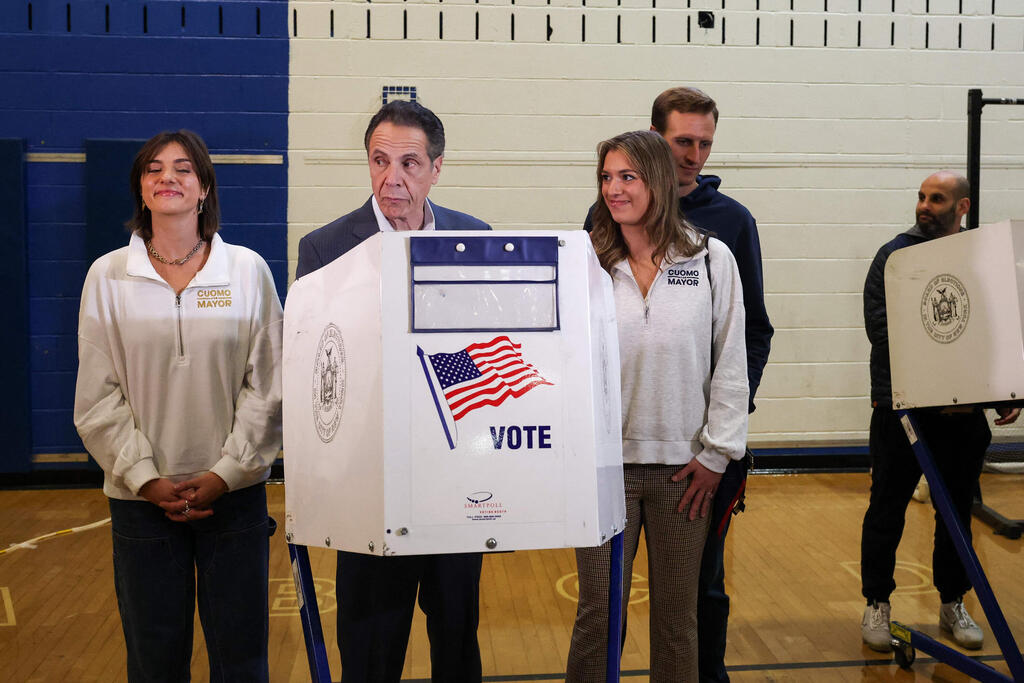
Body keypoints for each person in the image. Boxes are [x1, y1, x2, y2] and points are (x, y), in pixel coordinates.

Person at [74, 130, 283, 681]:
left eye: (184, 168)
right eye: (154, 169)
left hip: (234, 500)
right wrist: (144, 478)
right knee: (154, 659)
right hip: (142, 502)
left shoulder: (247, 270)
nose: (168, 177)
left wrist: (228, 471)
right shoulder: (107, 276)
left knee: (241, 659)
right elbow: (97, 395)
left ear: (204, 188)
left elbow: (270, 385)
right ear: (142, 191)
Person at [296, 100, 490, 683]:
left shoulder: (475, 237)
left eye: (409, 163)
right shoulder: (325, 248)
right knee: (371, 644)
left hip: (454, 477)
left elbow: (485, 354)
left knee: (456, 637)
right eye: (380, 161)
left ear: (437, 168)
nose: (392, 178)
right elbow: (315, 370)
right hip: (367, 482)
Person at [585, 85, 773, 683]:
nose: (615, 189)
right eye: (607, 177)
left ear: (658, 182)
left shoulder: (716, 256)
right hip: (603, 469)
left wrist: (719, 452)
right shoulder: (586, 259)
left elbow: (735, 360)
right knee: (597, 616)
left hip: (685, 470)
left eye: (629, 177)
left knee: (680, 615)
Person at [859, 170, 1019, 652]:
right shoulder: (893, 257)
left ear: (962, 207)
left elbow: (996, 328)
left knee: (956, 515)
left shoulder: (982, 258)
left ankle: (952, 602)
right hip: (902, 414)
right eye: (922, 197)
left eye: (937, 198)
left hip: (962, 416)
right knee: (886, 509)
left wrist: (1003, 391)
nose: (925, 205)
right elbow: (882, 330)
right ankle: (877, 605)